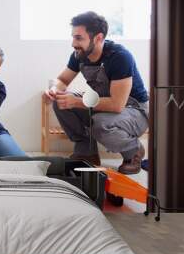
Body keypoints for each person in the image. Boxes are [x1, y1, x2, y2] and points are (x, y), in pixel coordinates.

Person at [43, 11, 149, 174]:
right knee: (60, 102)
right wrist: (54, 90)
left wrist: (76, 101)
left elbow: (117, 105)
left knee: (100, 122)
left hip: (136, 110)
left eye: (78, 38)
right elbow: (63, 81)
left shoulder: (120, 57)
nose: (73, 43)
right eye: (73, 37)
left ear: (98, 38)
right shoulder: (79, 54)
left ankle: (133, 152)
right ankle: (87, 153)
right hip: (107, 104)